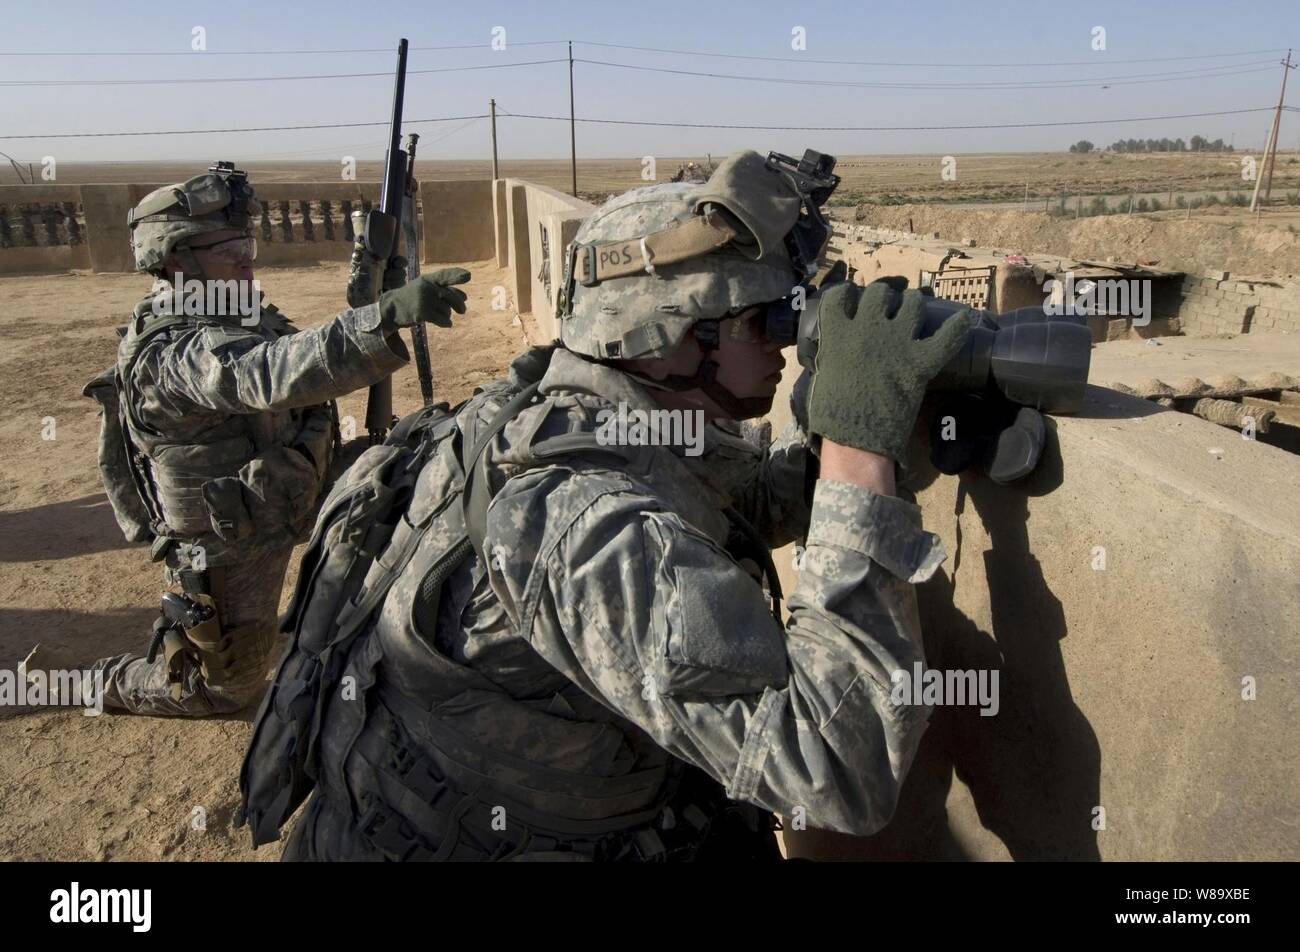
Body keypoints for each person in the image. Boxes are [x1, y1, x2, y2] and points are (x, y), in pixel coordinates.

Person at [239, 149, 972, 859]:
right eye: (762, 321)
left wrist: (840, 423)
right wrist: (856, 455)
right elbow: (838, 769)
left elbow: (736, 502)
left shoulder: (579, 409)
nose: (785, 345)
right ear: (667, 341)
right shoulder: (573, 520)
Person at [79, 162, 470, 716]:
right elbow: (265, 374)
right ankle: (106, 682)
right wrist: (381, 316)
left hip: (292, 489)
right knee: (222, 690)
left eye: (247, 243)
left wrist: (373, 285)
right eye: (224, 248)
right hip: (231, 536)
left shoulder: (238, 311)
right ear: (174, 261)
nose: (244, 258)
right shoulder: (168, 353)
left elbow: (303, 360)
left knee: (418, 467)